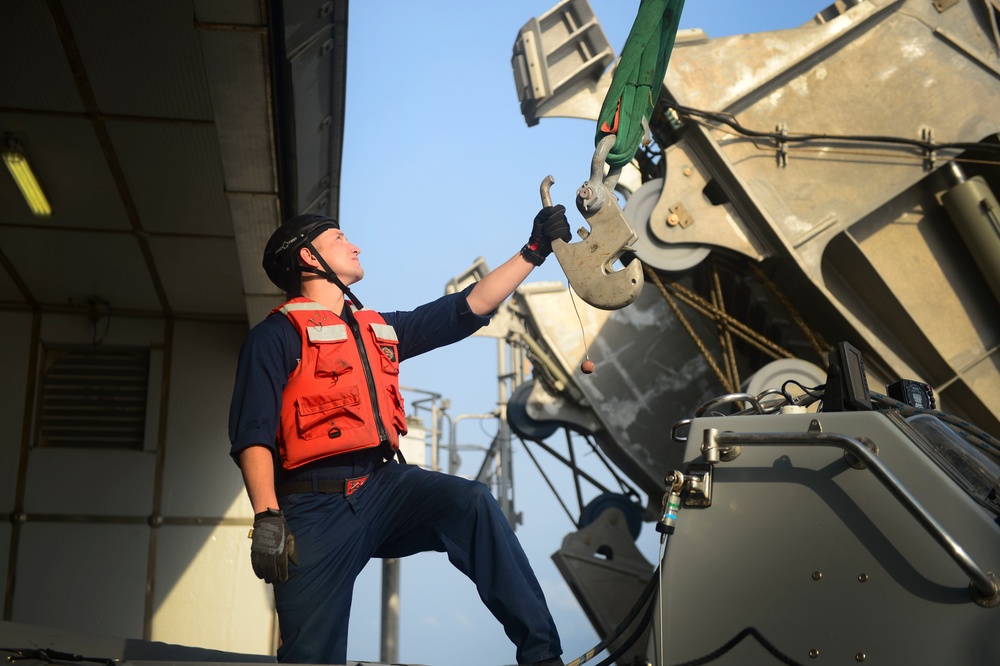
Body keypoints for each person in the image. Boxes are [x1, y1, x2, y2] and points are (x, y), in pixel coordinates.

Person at [228, 206, 572, 666]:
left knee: (471, 503)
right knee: (310, 656)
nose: (355, 246)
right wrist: (267, 516)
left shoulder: (377, 329)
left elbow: (464, 309)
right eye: (340, 239)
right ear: (309, 258)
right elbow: (253, 433)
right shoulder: (274, 337)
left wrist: (533, 252)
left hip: (383, 488)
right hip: (313, 509)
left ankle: (543, 657)